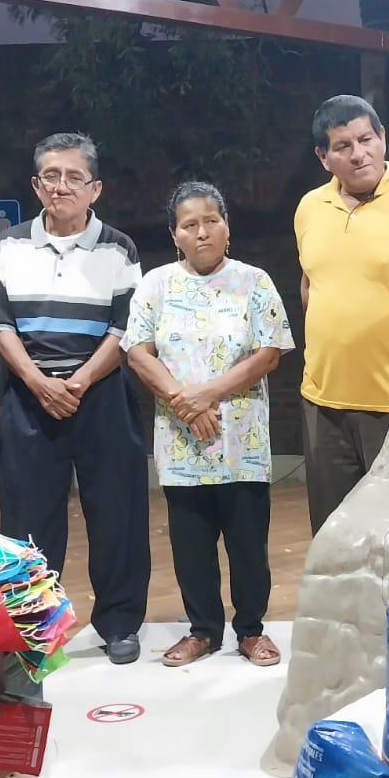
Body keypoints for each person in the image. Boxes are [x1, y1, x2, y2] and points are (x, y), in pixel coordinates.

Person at [0, 132, 150, 666]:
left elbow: (126, 329)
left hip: (101, 394)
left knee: (117, 512)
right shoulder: (8, 245)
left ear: (95, 188)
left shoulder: (120, 248)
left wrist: (79, 381)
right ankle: (33, 630)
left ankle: (120, 624)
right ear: (36, 185)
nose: (62, 187)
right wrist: (38, 382)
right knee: (27, 518)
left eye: (75, 177)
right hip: (30, 394)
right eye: (51, 176)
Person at [124, 181, 295, 668]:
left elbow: (268, 353)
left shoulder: (254, 282)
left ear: (227, 227)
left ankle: (251, 630)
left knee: (248, 546)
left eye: (211, 221)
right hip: (182, 443)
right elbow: (138, 352)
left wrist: (207, 395)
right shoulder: (156, 284)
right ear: (174, 234)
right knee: (191, 546)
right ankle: (202, 631)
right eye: (189, 224)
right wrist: (186, 403)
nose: (202, 232)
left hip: (242, 443)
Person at [294, 94, 389, 533]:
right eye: (343, 146)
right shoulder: (310, 207)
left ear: (383, 138)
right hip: (323, 403)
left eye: (367, 139)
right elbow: (309, 284)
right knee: (333, 536)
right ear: (323, 157)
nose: (359, 153)